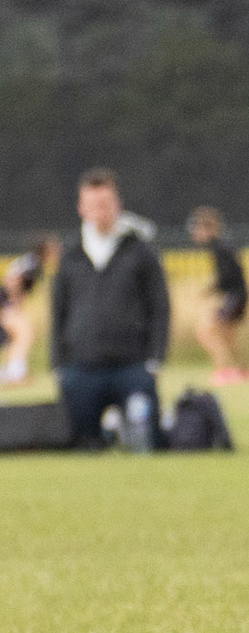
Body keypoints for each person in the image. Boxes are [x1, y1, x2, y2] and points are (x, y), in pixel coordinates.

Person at [49, 169, 171, 448]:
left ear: (117, 204)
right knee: (81, 445)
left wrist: (155, 359)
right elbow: (58, 311)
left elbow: (159, 306)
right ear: (81, 208)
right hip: (81, 368)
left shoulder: (140, 252)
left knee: (147, 443)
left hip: (131, 366)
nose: (99, 212)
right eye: (93, 205)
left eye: (105, 204)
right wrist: (58, 364)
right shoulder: (70, 255)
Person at [188, 207, 249, 385]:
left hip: (235, 296)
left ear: (208, 229)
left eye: (197, 229)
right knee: (228, 335)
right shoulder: (221, 246)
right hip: (239, 295)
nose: (195, 234)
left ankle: (223, 370)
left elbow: (226, 277)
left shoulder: (220, 248)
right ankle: (244, 371)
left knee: (206, 331)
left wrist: (207, 292)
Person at [1, 236, 60, 386]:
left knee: (15, 337)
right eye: (52, 249)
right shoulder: (32, 262)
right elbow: (12, 280)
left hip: (7, 304)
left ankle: (10, 372)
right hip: (5, 304)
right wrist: (14, 304)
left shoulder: (35, 263)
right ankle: (14, 373)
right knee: (24, 334)